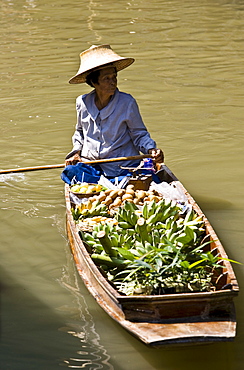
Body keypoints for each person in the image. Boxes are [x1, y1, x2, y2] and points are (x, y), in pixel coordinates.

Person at [65, 44, 164, 178]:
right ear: (94, 82)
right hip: (92, 166)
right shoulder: (82, 103)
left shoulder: (127, 102)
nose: (113, 82)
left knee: (135, 179)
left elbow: (139, 134)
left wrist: (151, 149)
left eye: (114, 77)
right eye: (106, 79)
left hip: (123, 167)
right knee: (70, 173)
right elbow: (80, 131)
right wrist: (76, 152)